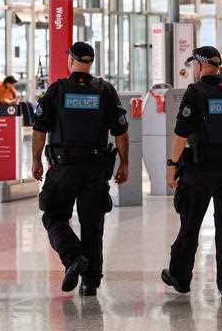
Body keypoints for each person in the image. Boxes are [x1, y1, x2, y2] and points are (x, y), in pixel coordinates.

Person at [31, 41, 130, 297]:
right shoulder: (105, 90)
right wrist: (125, 163)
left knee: (53, 216)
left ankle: (73, 256)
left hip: (63, 167)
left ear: (70, 60)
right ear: (91, 62)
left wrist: (35, 160)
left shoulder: (57, 90)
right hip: (96, 169)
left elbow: (39, 129)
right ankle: (90, 283)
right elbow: (120, 132)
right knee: (92, 224)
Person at [161, 46, 222, 302]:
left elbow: (181, 135)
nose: (194, 68)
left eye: (195, 64)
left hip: (199, 171)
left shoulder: (195, 93)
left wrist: (172, 165)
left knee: (190, 226)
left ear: (201, 65)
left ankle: (180, 278)